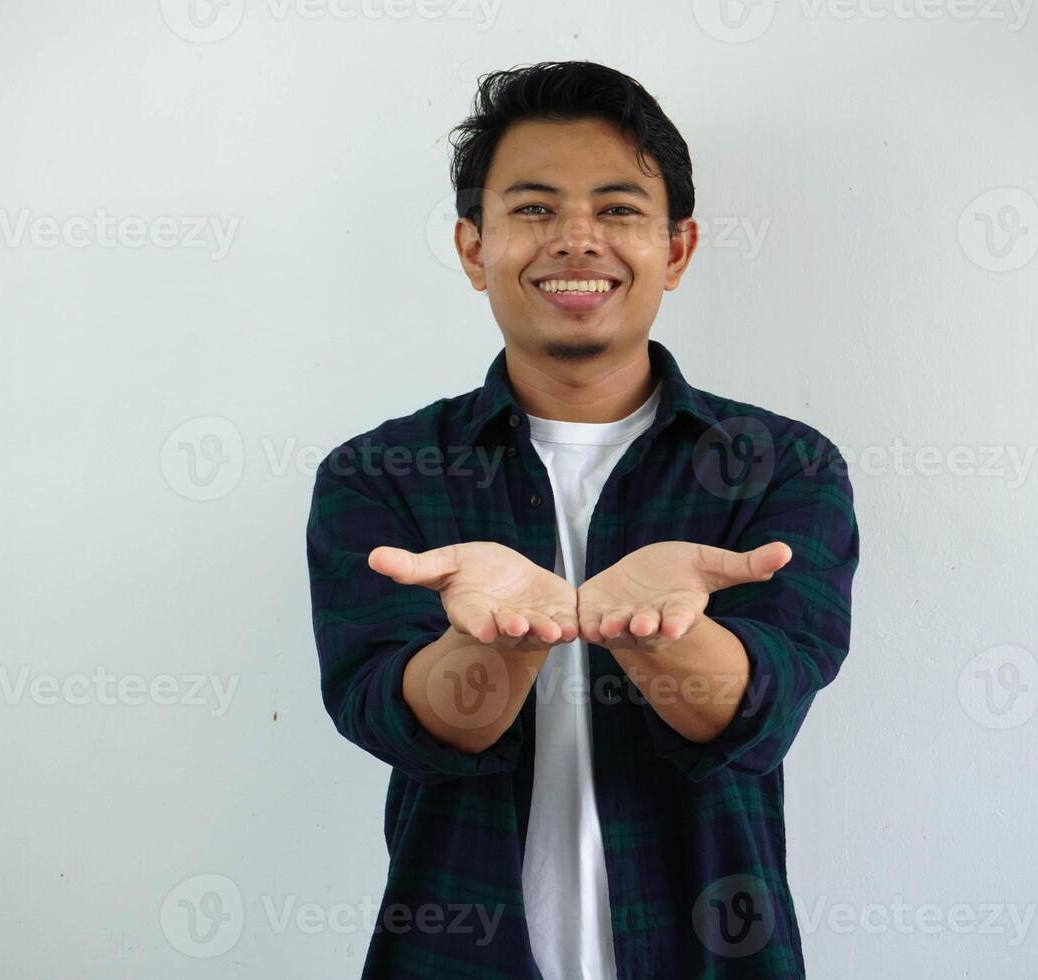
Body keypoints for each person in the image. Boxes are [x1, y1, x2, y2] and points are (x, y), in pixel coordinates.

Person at [305, 60, 859, 979]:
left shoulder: (782, 466)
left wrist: (657, 633)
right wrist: (506, 640)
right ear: (472, 246)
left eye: (617, 208)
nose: (575, 240)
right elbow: (404, 721)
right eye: (531, 209)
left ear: (675, 250)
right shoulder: (377, 476)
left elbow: (752, 713)